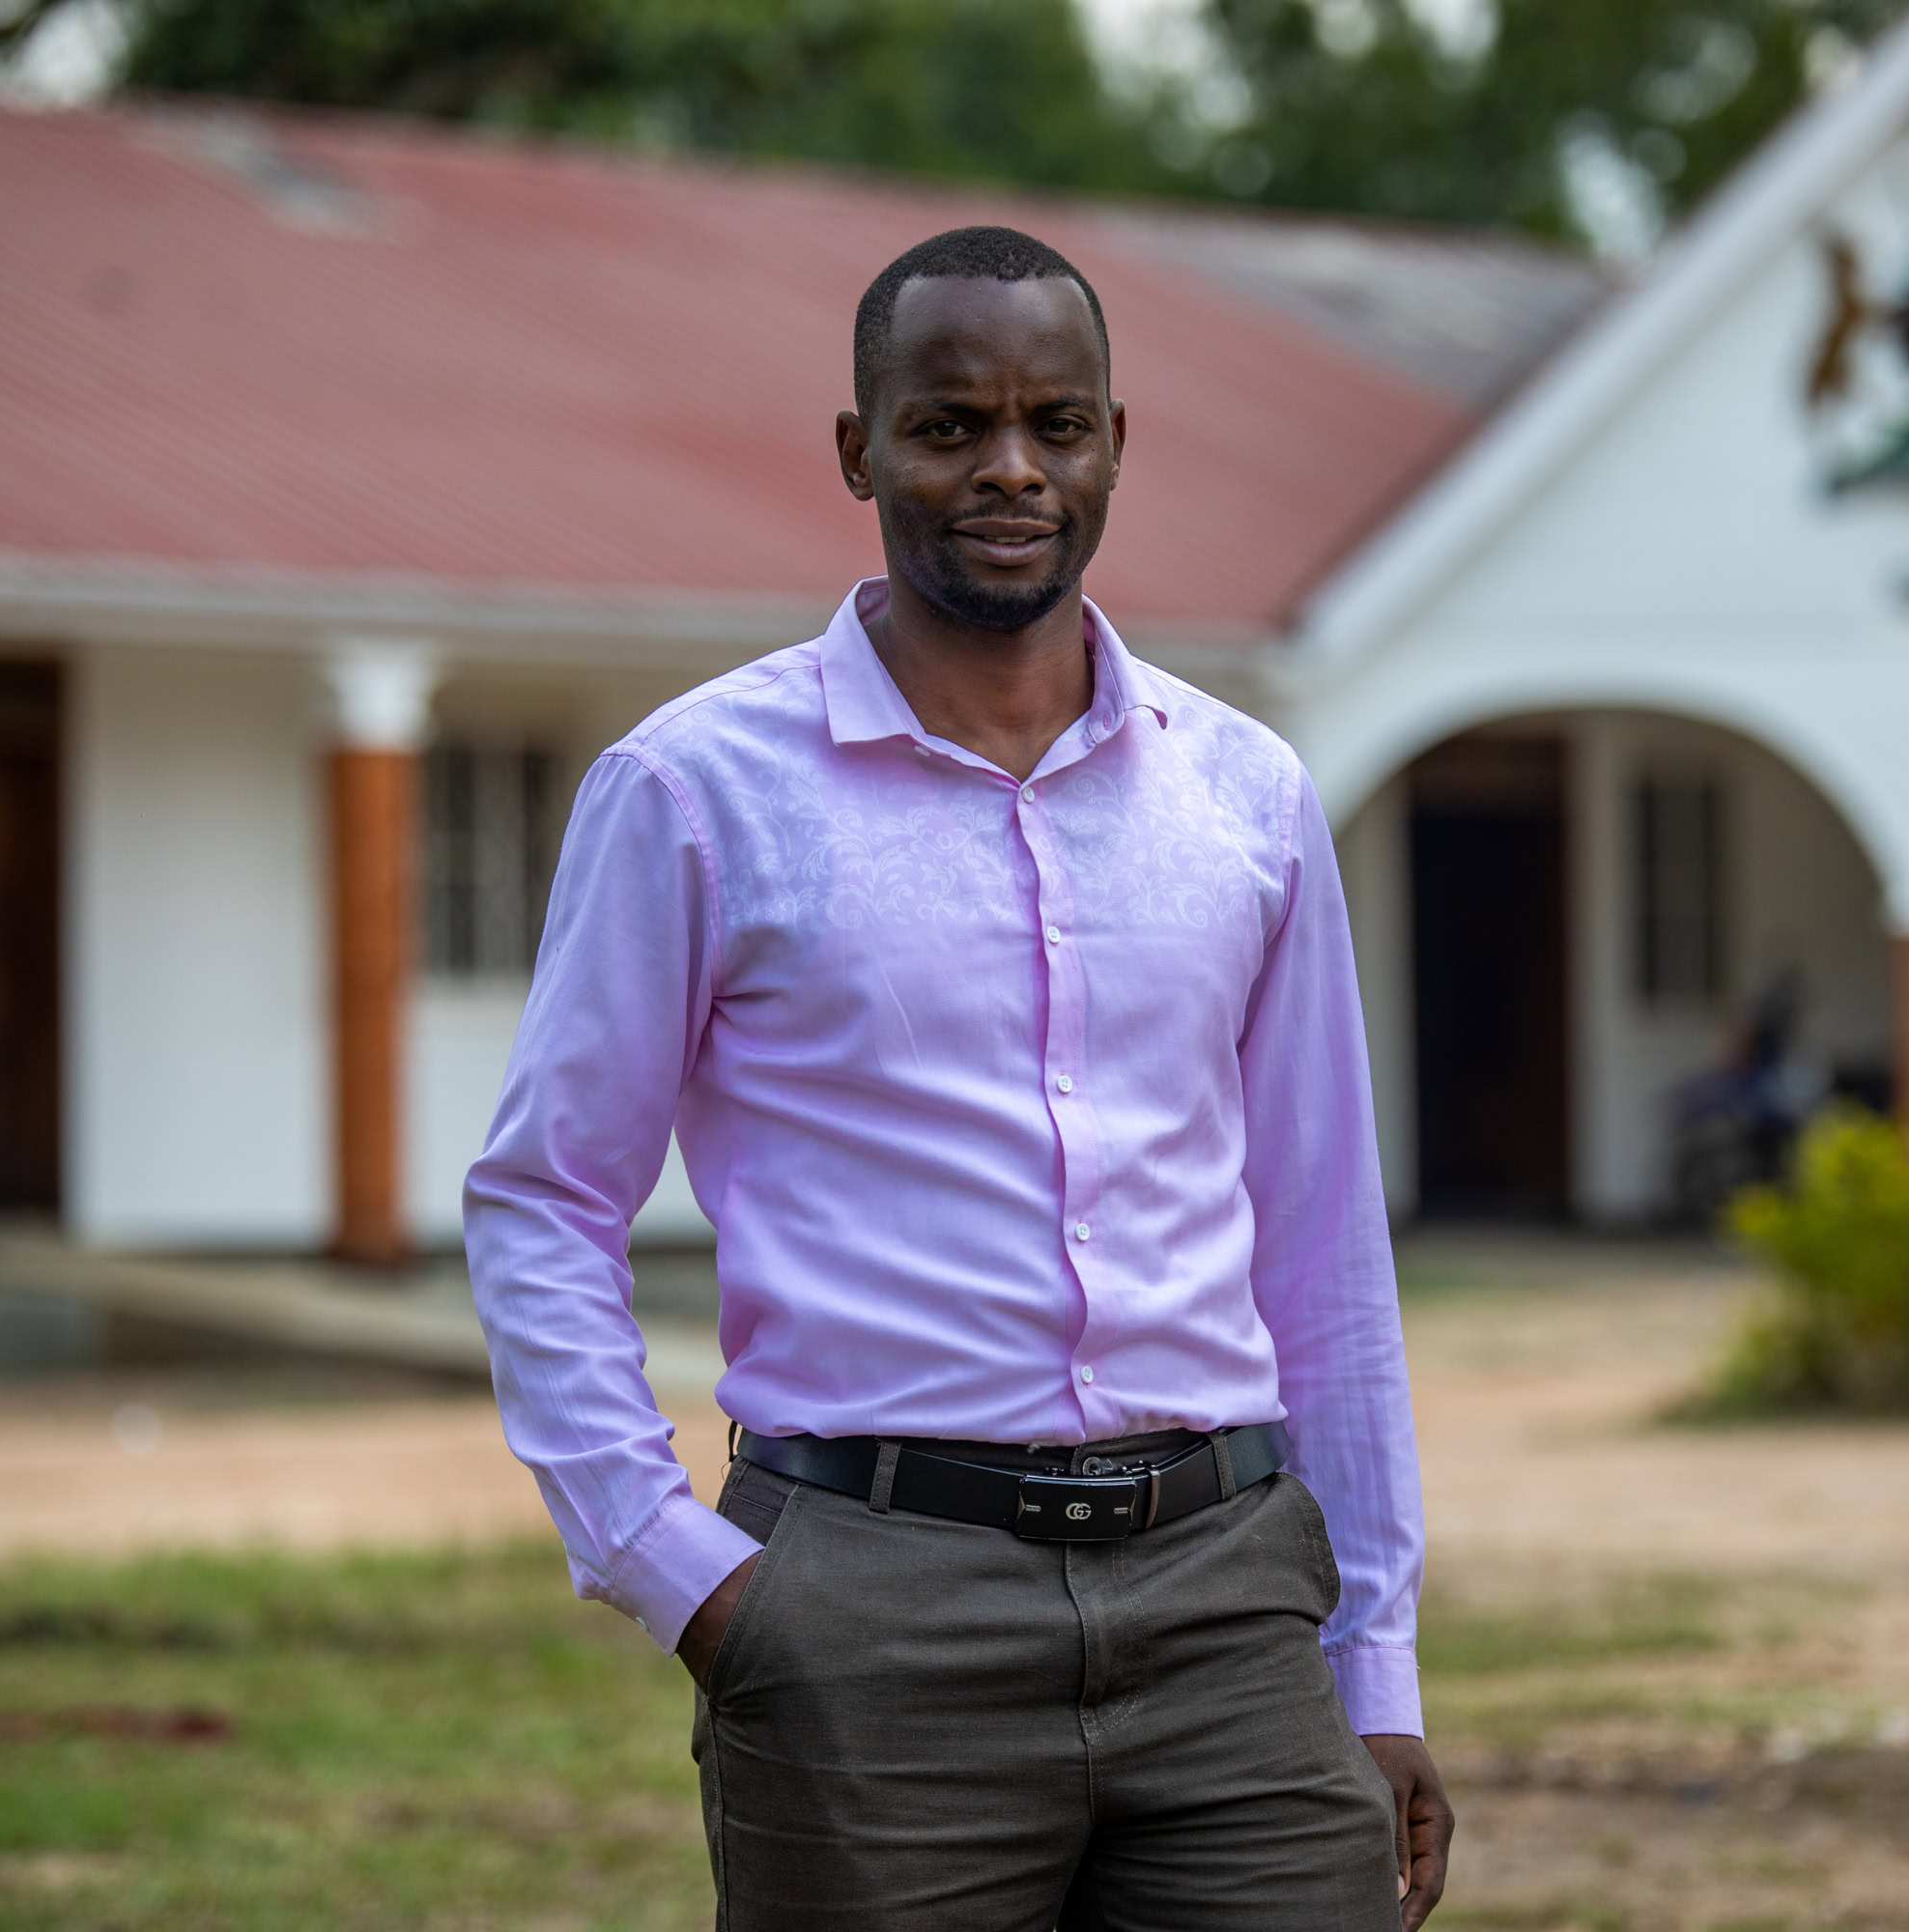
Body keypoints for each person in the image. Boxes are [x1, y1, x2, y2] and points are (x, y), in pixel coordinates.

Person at [466, 224, 1450, 1930]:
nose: (1010, 468)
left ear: (1115, 446)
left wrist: (1374, 1668)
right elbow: (544, 1193)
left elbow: (1322, 1253)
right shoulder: (698, 792)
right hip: (866, 1608)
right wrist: (674, 1567)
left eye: (1056, 424)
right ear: (860, 450)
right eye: (948, 426)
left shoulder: (1247, 796)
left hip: (1228, 1604)